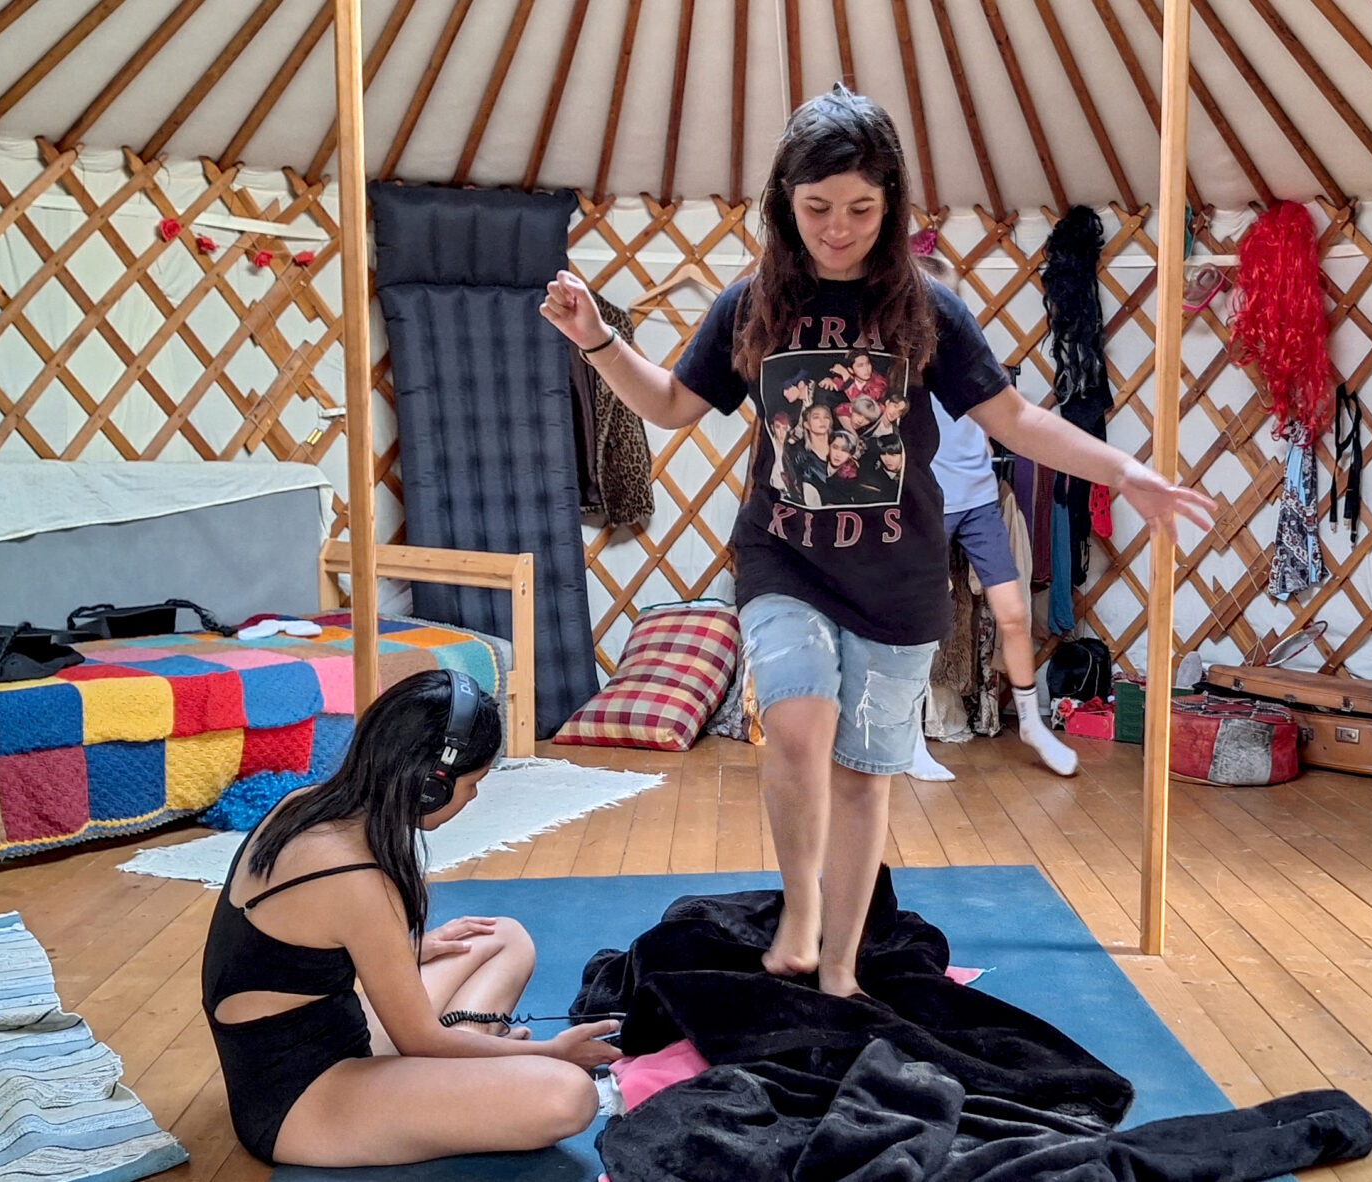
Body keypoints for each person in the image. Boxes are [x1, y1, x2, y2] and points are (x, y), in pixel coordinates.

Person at [540, 85, 1213, 998]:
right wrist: (596, 340)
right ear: (785, 201)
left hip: (899, 577)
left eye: (861, 208)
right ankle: (800, 910)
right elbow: (669, 404)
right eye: (818, 207)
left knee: (863, 776)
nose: (838, 228)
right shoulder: (751, 305)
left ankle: (841, 967)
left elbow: (1015, 420)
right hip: (783, 558)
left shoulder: (928, 311)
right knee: (796, 725)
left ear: (892, 203)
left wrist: (1124, 471)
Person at [200, 669, 623, 1167]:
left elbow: (288, 952)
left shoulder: (305, 805)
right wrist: (552, 1052)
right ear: (430, 787)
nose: (474, 797)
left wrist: (402, 951)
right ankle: (474, 1062)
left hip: (335, 1027)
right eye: (473, 783)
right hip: (299, 1097)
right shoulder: (356, 879)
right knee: (569, 1094)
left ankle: (468, 1062)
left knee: (503, 937)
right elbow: (420, 1039)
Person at [907, 256, 1077, 781]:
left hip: (980, 501)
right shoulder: (898, 367)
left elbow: (1011, 422)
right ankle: (907, 737)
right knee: (916, 625)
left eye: (946, 301)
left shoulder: (973, 361)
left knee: (1014, 613)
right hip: (927, 504)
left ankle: (1032, 724)